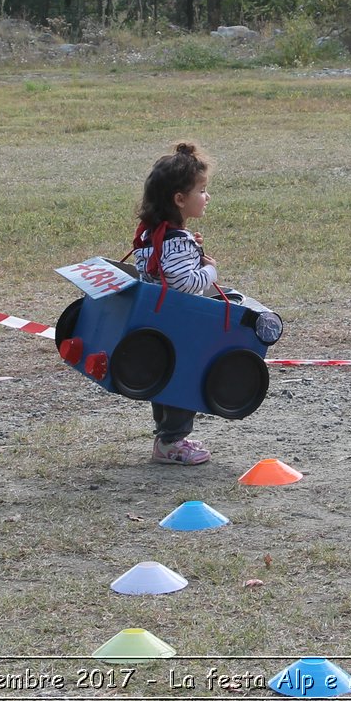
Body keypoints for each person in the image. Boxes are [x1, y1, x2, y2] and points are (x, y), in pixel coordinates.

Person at [130, 141, 218, 465]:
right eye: (202, 190)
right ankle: (172, 442)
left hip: (157, 323)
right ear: (180, 199)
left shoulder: (151, 235)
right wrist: (209, 270)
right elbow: (185, 283)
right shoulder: (175, 241)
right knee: (185, 379)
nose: (207, 197)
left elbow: (160, 269)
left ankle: (166, 438)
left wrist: (187, 248)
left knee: (164, 378)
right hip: (180, 327)